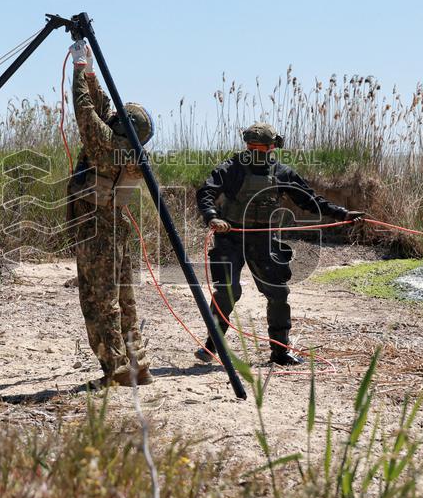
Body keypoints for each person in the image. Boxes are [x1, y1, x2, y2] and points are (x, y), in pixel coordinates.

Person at [195, 122, 364, 365]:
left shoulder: (282, 172)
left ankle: (280, 352)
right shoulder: (232, 168)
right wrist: (212, 216)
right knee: (228, 292)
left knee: (278, 293)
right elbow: (206, 191)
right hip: (230, 237)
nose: (256, 151)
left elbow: (309, 199)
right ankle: (211, 346)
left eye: (260, 147)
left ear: (272, 147)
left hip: (263, 239)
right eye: (251, 147)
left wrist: (343, 214)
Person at [66, 39, 154, 387]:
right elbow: (102, 107)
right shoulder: (130, 150)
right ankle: (138, 364)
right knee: (125, 300)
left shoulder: (105, 144)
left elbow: (86, 110)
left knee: (99, 301)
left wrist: (76, 69)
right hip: (116, 226)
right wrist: (89, 68)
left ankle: (117, 369)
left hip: (96, 229)